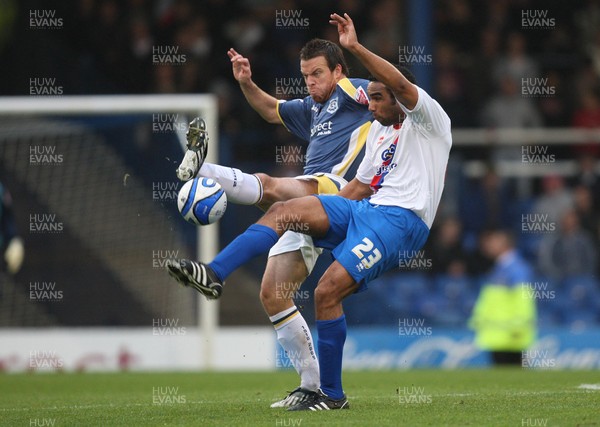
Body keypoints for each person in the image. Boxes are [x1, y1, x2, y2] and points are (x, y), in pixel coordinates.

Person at [167, 12, 451, 410]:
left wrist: (353, 47)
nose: (371, 106)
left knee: (325, 290)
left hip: (401, 222)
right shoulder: (378, 132)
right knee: (283, 218)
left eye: (378, 98)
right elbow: (358, 189)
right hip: (362, 209)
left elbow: (400, 84)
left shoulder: (430, 120)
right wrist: (318, 216)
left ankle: (332, 397)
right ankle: (214, 272)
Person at [176, 38, 373, 407]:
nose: (311, 82)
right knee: (273, 293)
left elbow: (391, 92)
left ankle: (203, 168)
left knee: (271, 187)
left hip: (339, 190)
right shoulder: (313, 109)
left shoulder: (354, 92)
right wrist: (246, 82)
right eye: (305, 76)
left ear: (338, 71)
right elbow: (271, 110)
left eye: (318, 74)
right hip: (312, 202)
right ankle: (313, 386)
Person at [468, 229, 537, 366]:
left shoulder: (516, 268)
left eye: (493, 241)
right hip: (499, 335)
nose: (488, 245)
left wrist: (519, 326)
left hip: (511, 335)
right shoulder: (500, 267)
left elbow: (524, 299)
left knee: (514, 377)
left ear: (504, 243)